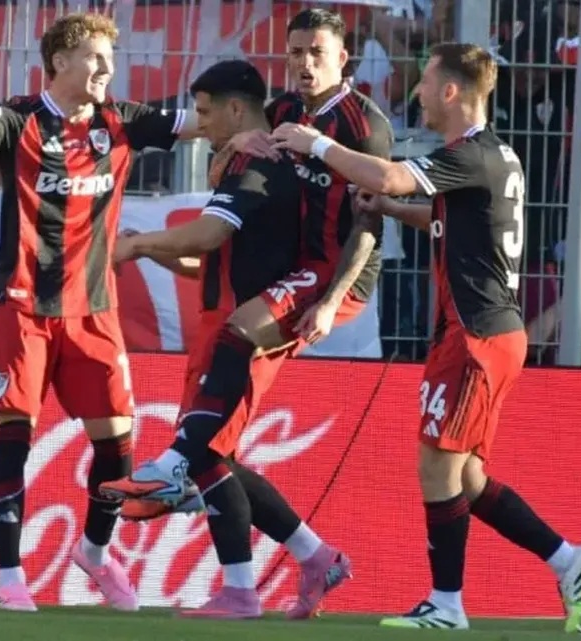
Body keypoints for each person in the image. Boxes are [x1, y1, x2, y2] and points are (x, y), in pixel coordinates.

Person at [265, 42, 581, 631]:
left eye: (425, 82)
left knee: (436, 467)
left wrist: (315, 141)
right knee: (466, 475)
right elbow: (450, 220)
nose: (416, 92)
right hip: (486, 333)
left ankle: (447, 603)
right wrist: (395, 212)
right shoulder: (490, 157)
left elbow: (392, 174)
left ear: (451, 91)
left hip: (475, 335)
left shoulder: (473, 154)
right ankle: (567, 559)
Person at [0, 12, 198, 612]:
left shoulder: (121, 121)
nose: (106, 69)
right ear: (59, 64)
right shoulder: (19, 118)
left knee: (118, 447)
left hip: (94, 310)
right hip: (23, 307)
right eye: (95, 59)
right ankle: (10, 578)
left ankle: (95, 554)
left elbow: (202, 122)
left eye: (110, 59)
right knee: (14, 440)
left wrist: (267, 127)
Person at [101, 8, 392, 560]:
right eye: (296, 52)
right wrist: (234, 148)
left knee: (229, 367)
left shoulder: (362, 124)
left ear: (342, 58)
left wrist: (331, 302)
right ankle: (308, 557)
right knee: (217, 451)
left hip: (330, 274)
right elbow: (229, 159)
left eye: (317, 53)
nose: (305, 63)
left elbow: (371, 221)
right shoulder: (280, 110)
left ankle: (179, 474)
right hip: (284, 275)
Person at [108, 59, 350, 620]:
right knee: (217, 459)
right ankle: (315, 557)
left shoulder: (255, 161)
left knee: (206, 453)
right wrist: (152, 245)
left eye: (206, 110)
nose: (199, 122)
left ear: (237, 109)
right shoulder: (243, 157)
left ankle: (241, 589)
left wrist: (140, 247)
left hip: (246, 325)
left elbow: (214, 233)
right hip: (220, 319)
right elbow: (209, 257)